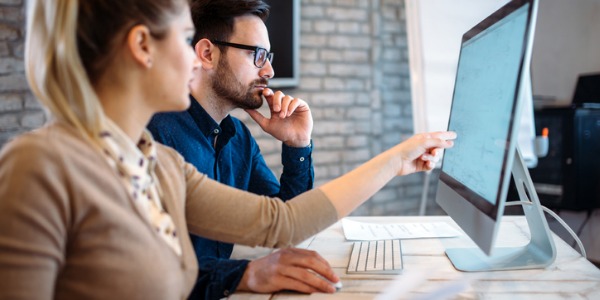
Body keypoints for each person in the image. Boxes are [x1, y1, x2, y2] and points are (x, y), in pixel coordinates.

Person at [0, 0, 456, 299]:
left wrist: (391, 158)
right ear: (143, 46)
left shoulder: (154, 164)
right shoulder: (40, 166)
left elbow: (284, 222)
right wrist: (242, 275)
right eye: (183, 39)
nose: (192, 57)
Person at [146, 0, 317, 298]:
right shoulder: (154, 136)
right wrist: (244, 273)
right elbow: (152, 268)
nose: (270, 71)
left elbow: (289, 224)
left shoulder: (238, 137)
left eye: (269, 56)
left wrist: (297, 144)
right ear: (208, 54)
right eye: (258, 55)